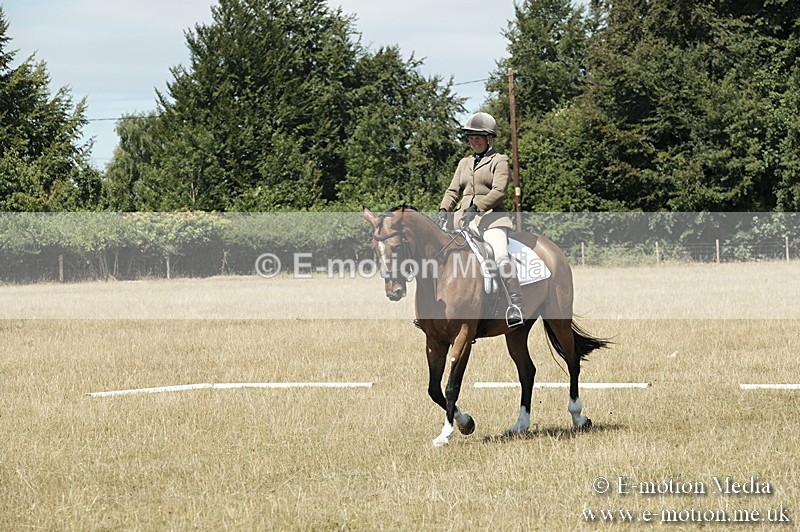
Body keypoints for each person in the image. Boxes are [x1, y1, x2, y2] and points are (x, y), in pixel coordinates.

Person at [437, 112, 524, 326]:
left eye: (478, 137)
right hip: (462, 221)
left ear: (489, 138)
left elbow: (499, 191)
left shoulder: (499, 160)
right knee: (440, 255)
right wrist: (443, 209)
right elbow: (452, 191)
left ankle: (515, 305)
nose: (473, 141)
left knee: (501, 257)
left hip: (491, 220)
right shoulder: (464, 163)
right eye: (470, 137)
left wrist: (477, 207)